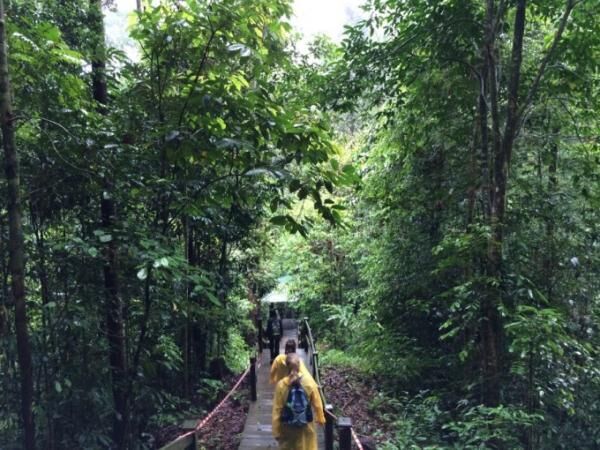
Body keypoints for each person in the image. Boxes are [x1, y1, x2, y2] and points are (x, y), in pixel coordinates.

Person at [272, 353, 325, 450]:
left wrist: (276, 430)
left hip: (287, 427)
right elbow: (317, 404)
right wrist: (321, 418)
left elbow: (277, 410)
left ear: (286, 366)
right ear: (300, 365)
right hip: (306, 426)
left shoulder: (281, 385)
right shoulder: (309, 382)